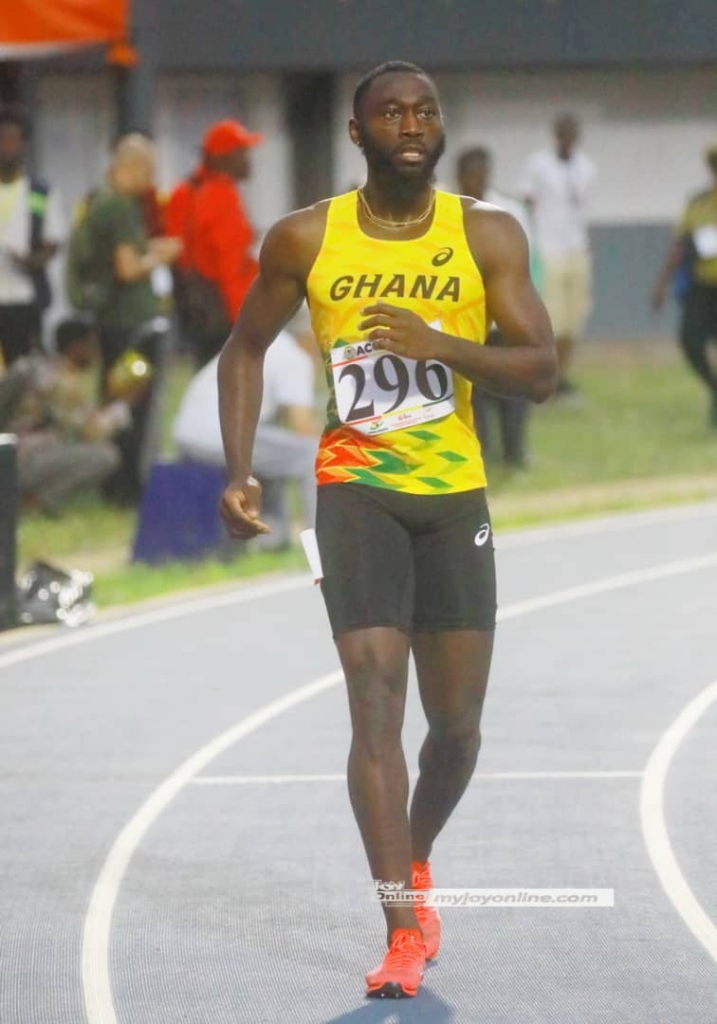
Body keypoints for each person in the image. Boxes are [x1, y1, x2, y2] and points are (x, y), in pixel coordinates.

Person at [217, 61, 556, 999]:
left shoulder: (484, 232)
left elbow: (538, 368)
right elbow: (242, 347)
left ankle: (415, 856)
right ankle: (400, 931)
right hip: (352, 487)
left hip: (452, 495)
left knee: (455, 729)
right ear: (358, 134)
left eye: (425, 110)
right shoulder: (303, 238)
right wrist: (239, 467)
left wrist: (437, 343)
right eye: (390, 113)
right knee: (374, 701)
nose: (411, 123)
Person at [82, 134, 181, 505]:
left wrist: (148, 250)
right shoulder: (121, 206)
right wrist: (161, 257)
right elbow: (127, 269)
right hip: (132, 328)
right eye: (149, 170)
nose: (151, 179)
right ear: (133, 167)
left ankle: (112, 482)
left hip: (114, 322)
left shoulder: (101, 203)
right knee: (133, 405)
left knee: (115, 398)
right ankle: (128, 486)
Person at [173, 316, 319, 548]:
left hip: (187, 432)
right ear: (309, 334)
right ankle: (321, 542)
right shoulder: (294, 358)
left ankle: (271, 537)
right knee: (314, 455)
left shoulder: (264, 342)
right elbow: (302, 428)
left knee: (278, 453)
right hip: (218, 436)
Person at [4, 318, 145, 515]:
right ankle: (35, 501)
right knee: (106, 456)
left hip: (16, 452)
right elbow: (92, 432)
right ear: (77, 346)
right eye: (91, 345)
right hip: (23, 459)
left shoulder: (45, 369)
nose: (95, 353)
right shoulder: (60, 381)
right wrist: (123, 405)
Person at [457, 146, 533, 468]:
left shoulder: (507, 210)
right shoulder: (447, 212)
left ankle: (515, 450)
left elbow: (526, 260)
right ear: (460, 177)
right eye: (471, 174)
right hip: (466, 315)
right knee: (474, 390)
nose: (478, 180)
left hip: (503, 312)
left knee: (513, 385)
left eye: (482, 173)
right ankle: (482, 450)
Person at [166, 119, 263, 367]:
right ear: (224, 158)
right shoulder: (220, 194)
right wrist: (245, 319)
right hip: (224, 311)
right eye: (242, 153)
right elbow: (228, 265)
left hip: (199, 306)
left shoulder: (187, 190)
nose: (248, 160)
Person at [519, 113, 597, 399]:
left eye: (572, 134)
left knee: (574, 319)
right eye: (563, 133)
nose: (567, 139)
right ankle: (546, 377)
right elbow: (526, 200)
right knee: (552, 319)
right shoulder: (538, 165)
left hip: (577, 247)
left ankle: (561, 376)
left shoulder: (586, 167)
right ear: (555, 135)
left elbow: (584, 209)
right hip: (548, 249)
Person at [652, 142, 717, 428]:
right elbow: (680, 245)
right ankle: (713, 385)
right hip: (703, 287)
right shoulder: (698, 203)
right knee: (690, 341)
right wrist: (661, 284)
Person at [0, 105, 64, 366]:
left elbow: (52, 242)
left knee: (22, 368)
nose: (6, 147)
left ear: (24, 144)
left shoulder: (38, 193)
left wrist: (31, 261)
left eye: (12, 140)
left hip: (23, 298)